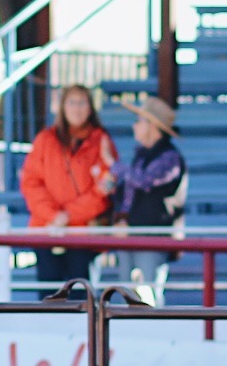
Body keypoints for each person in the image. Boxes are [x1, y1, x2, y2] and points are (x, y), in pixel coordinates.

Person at [19, 84, 117, 292]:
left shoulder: (101, 141)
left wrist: (69, 215)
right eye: (72, 102)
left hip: (84, 234)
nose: (77, 108)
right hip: (47, 230)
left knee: (82, 296)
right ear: (62, 107)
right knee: (49, 296)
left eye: (82, 102)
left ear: (90, 107)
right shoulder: (45, 140)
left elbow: (105, 188)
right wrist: (53, 215)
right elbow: (31, 182)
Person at [106, 96, 186, 305]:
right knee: (126, 292)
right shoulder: (141, 157)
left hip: (152, 237)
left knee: (147, 294)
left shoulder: (169, 157)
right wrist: (121, 219)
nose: (135, 126)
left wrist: (114, 167)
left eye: (139, 121)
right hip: (130, 235)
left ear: (152, 126)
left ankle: (151, 331)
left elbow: (144, 181)